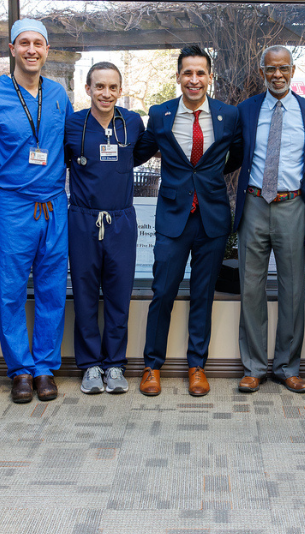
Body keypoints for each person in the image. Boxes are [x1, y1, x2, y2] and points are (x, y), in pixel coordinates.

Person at [0, 19, 73, 403]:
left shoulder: (59, 94)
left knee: (52, 290)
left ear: (46, 50)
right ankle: (20, 370)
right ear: (11, 49)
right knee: (10, 292)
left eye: (38, 43)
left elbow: (71, 151)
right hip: (12, 207)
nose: (31, 50)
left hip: (55, 205)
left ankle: (44, 367)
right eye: (23, 43)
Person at [133, 45, 243, 397]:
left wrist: (208, 178)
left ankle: (198, 366)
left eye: (200, 73)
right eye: (187, 73)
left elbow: (235, 155)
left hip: (211, 219)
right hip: (172, 218)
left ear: (210, 77)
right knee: (162, 292)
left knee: (202, 295)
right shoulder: (161, 114)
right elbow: (141, 151)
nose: (194, 80)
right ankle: (152, 366)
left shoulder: (229, 115)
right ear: (178, 77)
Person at [234, 45, 305, 394]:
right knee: (251, 288)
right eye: (270, 69)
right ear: (261, 71)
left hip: (293, 206)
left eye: (283, 68)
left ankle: (288, 366)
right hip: (255, 203)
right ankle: (254, 367)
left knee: (292, 290)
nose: (277, 75)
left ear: (293, 70)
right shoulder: (245, 111)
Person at [65, 62, 147, 395]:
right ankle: (90, 366)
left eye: (113, 87)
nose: (106, 93)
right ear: (88, 89)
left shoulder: (131, 123)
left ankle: (114, 365)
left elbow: (135, 157)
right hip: (83, 220)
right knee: (84, 296)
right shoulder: (73, 125)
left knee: (118, 296)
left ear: (120, 90)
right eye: (99, 86)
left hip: (121, 221)